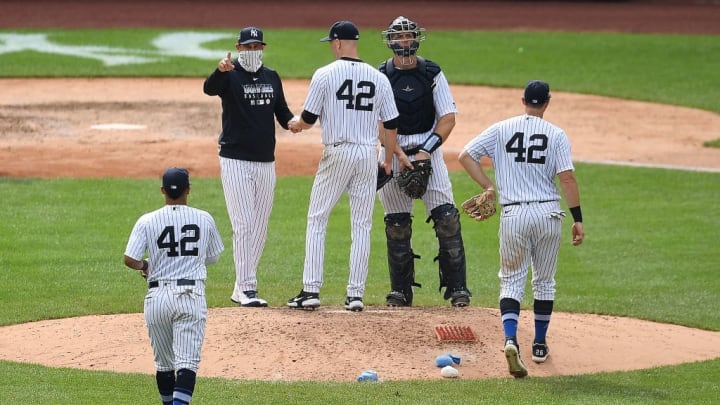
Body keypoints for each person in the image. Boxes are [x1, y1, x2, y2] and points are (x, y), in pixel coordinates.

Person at [458, 80, 585, 378]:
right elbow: (567, 179)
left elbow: (466, 156)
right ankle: (539, 344)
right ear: (547, 102)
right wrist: (578, 218)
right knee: (544, 281)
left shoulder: (502, 128)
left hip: (514, 214)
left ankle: (511, 338)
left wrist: (489, 186)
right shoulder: (556, 134)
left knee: (511, 281)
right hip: (548, 214)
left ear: (523, 100)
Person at [286, 20, 400, 312]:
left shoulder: (324, 74)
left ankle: (311, 290)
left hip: (337, 152)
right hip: (367, 153)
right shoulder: (379, 78)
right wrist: (387, 159)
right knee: (362, 225)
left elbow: (309, 118)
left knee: (317, 218)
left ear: (337, 43)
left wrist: (296, 125)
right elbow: (391, 123)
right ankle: (355, 295)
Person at [377, 16, 471, 307]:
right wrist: (397, 153)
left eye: (408, 36)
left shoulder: (432, 73)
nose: (404, 41)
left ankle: (458, 290)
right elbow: (377, 121)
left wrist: (425, 151)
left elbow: (448, 117)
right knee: (397, 224)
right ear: (390, 41)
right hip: (392, 151)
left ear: (416, 38)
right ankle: (401, 291)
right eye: (399, 37)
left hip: (428, 151)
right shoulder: (381, 75)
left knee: (447, 219)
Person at [203, 26, 296, 307]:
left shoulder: (272, 77)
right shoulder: (229, 76)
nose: (253, 51)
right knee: (243, 224)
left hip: (266, 160)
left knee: (260, 227)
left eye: (257, 47)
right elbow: (209, 89)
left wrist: (296, 123)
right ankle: (247, 288)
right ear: (239, 48)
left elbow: (281, 111)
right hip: (235, 159)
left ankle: (240, 285)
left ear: (262, 49)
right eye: (248, 47)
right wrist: (220, 70)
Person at [123, 167, 225, 403]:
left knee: (164, 365)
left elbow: (129, 259)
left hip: (157, 299)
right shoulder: (204, 218)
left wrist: (146, 266)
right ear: (188, 190)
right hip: (190, 296)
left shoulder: (147, 220)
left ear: (162, 191)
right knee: (187, 365)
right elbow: (213, 257)